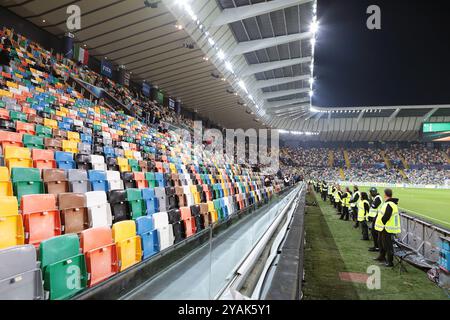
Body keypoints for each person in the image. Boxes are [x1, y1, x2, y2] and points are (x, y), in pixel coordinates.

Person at [374, 189, 400, 267]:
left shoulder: (390, 204)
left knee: (387, 245)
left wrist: (382, 222)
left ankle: (390, 262)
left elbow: (386, 216)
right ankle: (382, 256)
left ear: (385, 195)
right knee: (381, 242)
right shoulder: (390, 204)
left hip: (387, 228)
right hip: (384, 227)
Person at [368, 187, 383, 252]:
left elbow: (374, 206)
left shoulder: (378, 198)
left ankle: (377, 247)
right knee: (374, 233)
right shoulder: (376, 198)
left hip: (378, 217)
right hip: (376, 217)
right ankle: (376, 246)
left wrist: (370, 201)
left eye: (371, 193)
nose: (371, 194)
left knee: (375, 233)